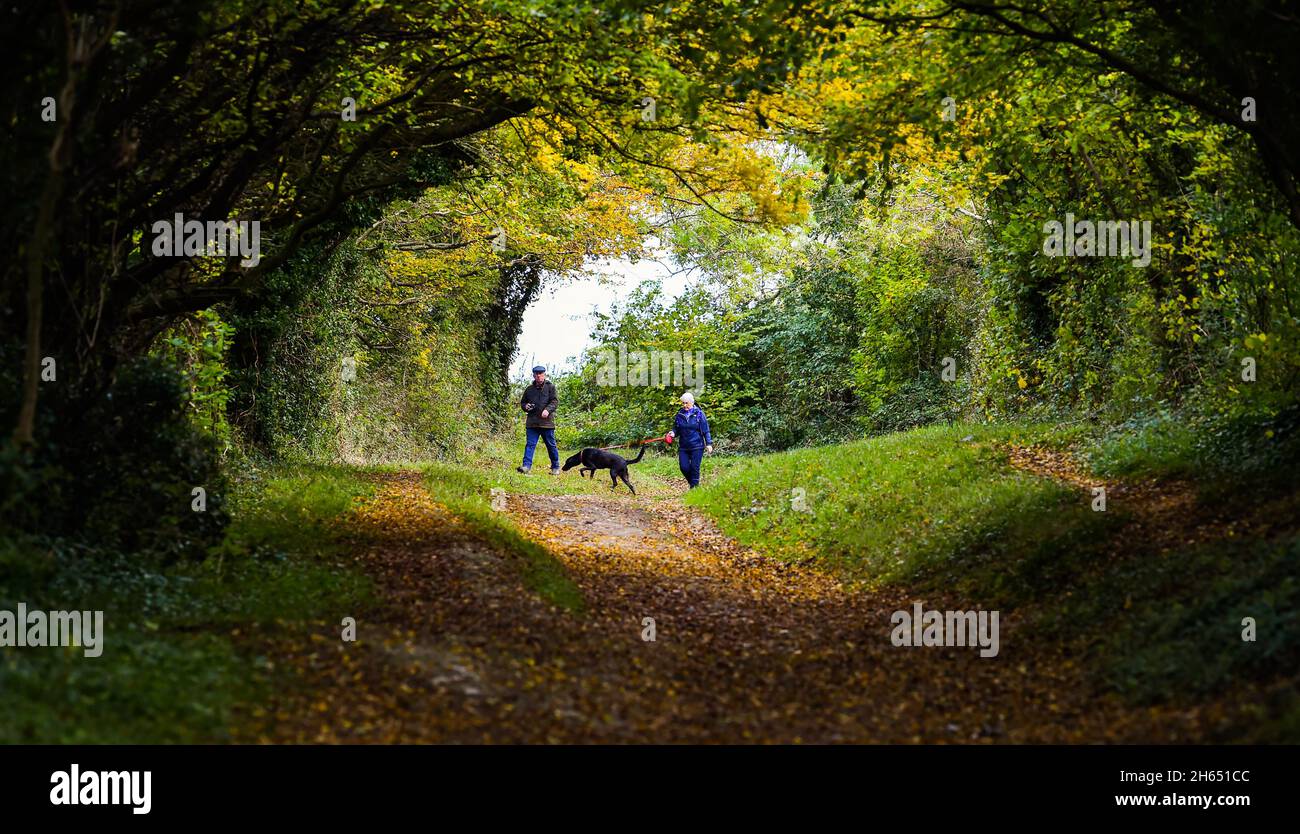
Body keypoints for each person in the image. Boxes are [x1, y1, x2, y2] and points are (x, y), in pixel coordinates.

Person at [518, 365, 560, 475]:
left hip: (547, 424)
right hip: (532, 423)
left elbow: (554, 402)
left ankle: (555, 467)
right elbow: (523, 402)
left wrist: (547, 410)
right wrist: (525, 406)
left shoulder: (550, 387)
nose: (538, 376)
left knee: (551, 446)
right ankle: (526, 467)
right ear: (533, 375)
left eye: (540, 374)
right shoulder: (529, 389)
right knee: (530, 445)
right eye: (536, 374)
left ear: (544, 374)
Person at [666, 391, 713, 488]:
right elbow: (676, 428)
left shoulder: (699, 414)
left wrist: (708, 443)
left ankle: (694, 489)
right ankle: (694, 484)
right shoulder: (680, 414)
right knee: (684, 467)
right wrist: (673, 433)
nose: (684, 405)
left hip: (697, 446)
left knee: (694, 468)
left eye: (686, 403)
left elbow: (706, 430)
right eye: (683, 403)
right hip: (684, 446)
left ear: (692, 402)